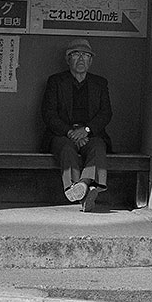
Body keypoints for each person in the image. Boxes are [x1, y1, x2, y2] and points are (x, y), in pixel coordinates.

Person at [42, 37, 112, 212]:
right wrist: (70, 132)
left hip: (91, 133)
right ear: (68, 59)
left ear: (91, 60)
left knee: (97, 146)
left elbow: (106, 113)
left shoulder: (100, 83)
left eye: (85, 55)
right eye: (76, 55)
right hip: (63, 134)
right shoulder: (56, 81)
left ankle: (82, 185)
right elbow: (48, 114)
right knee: (66, 148)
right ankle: (85, 187)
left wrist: (86, 131)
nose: (81, 59)